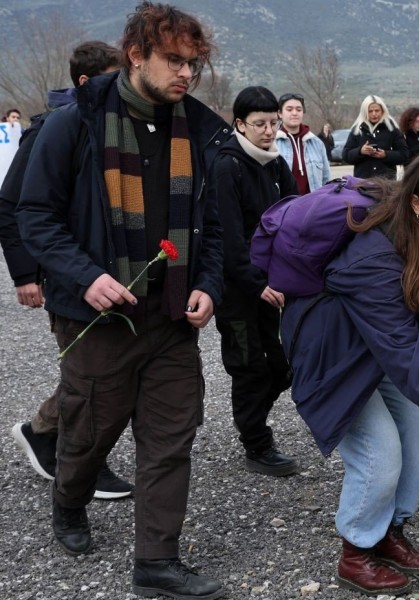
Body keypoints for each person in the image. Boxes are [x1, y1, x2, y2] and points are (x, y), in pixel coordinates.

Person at [16, 2, 229, 597]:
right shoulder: (73, 124)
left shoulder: (199, 130)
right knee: (89, 430)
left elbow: (212, 229)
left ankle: (156, 561)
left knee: (170, 436)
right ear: (137, 54)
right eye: (175, 61)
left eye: (194, 63)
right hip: (98, 316)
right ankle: (68, 500)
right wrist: (84, 276)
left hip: (170, 318)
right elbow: (35, 216)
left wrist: (208, 285)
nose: (187, 73)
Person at [279, 150, 419, 596]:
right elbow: (405, 351)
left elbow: (406, 336)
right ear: (417, 204)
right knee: (379, 452)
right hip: (335, 355)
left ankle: (388, 532)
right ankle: (356, 551)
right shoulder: (374, 260)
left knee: (416, 431)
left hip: (372, 346)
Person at [2, 41, 132, 499]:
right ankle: (82, 466)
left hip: (110, 275)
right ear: (86, 82)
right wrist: (24, 275)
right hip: (69, 277)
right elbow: (13, 204)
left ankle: (43, 431)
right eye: (118, 77)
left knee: (96, 373)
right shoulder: (50, 131)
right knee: (91, 379)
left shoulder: (118, 127)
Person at [210, 86, 300, 477]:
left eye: (273, 122)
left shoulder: (276, 165)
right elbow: (227, 237)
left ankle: (250, 425)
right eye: (260, 124)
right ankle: (256, 444)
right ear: (240, 125)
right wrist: (253, 282)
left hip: (273, 284)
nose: (269, 131)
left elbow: (293, 219)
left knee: (281, 367)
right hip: (238, 289)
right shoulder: (226, 166)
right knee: (247, 367)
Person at [342, 94, 408, 179]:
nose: (374, 114)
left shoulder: (392, 129)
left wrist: (386, 155)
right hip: (362, 183)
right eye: (370, 111)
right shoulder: (357, 130)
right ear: (365, 112)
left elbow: (404, 154)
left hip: (386, 184)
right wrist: (360, 151)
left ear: (382, 111)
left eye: (377, 111)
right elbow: (346, 155)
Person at [277, 92, 330, 194]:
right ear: (280, 113)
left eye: (299, 109)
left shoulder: (317, 143)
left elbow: (326, 180)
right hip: (284, 206)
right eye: (289, 109)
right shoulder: (273, 143)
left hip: (313, 205)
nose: (294, 113)